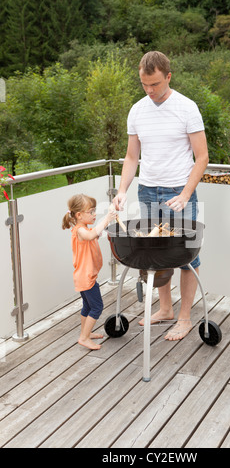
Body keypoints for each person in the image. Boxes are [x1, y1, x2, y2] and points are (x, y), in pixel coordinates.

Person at [113, 51, 209, 341]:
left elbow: (202, 157)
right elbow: (132, 157)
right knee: (156, 255)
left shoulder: (187, 107)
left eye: (155, 84)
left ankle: (185, 318)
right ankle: (165, 309)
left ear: (168, 76)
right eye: (144, 84)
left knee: (187, 258)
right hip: (147, 190)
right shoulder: (137, 110)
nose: (150, 90)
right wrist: (121, 191)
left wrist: (186, 193)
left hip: (179, 192)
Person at [62, 194, 117, 350]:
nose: (94, 215)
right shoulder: (80, 230)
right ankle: (84, 337)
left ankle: (86, 332)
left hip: (85, 277)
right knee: (97, 307)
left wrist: (100, 230)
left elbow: (93, 235)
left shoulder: (84, 229)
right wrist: (106, 219)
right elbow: (91, 235)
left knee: (87, 306)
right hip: (86, 278)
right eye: (91, 212)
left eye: (95, 211)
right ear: (79, 215)